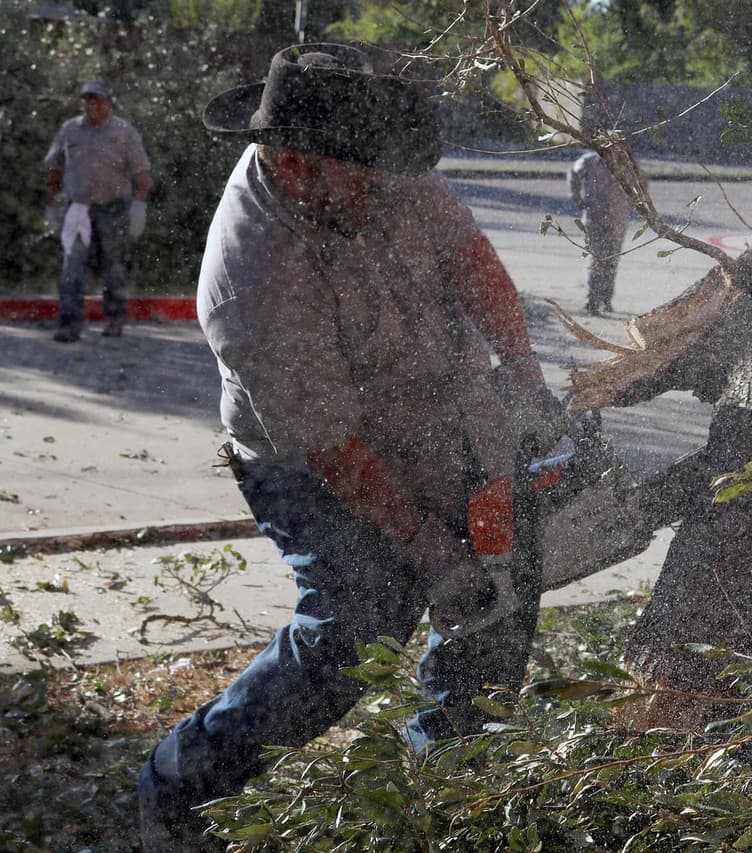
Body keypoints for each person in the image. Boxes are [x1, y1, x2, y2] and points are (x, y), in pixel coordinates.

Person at [136, 44, 563, 850]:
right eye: (361, 176)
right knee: (356, 625)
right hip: (311, 460)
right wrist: (425, 545)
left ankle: (454, 790)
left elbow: (474, 263)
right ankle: (179, 786)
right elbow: (335, 446)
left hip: (440, 409)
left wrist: (524, 370)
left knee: (502, 576)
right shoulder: (251, 276)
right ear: (294, 163)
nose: (381, 187)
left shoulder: (379, 158)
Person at [43, 79, 151, 342]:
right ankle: (69, 325)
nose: (91, 104)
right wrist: (52, 202)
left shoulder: (124, 131)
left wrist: (139, 205)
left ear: (108, 103)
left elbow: (142, 172)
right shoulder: (70, 130)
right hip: (78, 210)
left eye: (97, 99)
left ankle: (114, 319)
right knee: (72, 267)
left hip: (112, 209)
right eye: (87, 99)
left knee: (112, 266)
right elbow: (55, 168)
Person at [568, 149, 631, 315]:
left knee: (612, 260)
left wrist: (632, 204)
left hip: (617, 220)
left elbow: (640, 184)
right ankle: (592, 300)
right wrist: (576, 196)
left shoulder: (626, 163)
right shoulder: (589, 161)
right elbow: (573, 173)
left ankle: (606, 299)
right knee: (596, 258)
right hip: (594, 218)